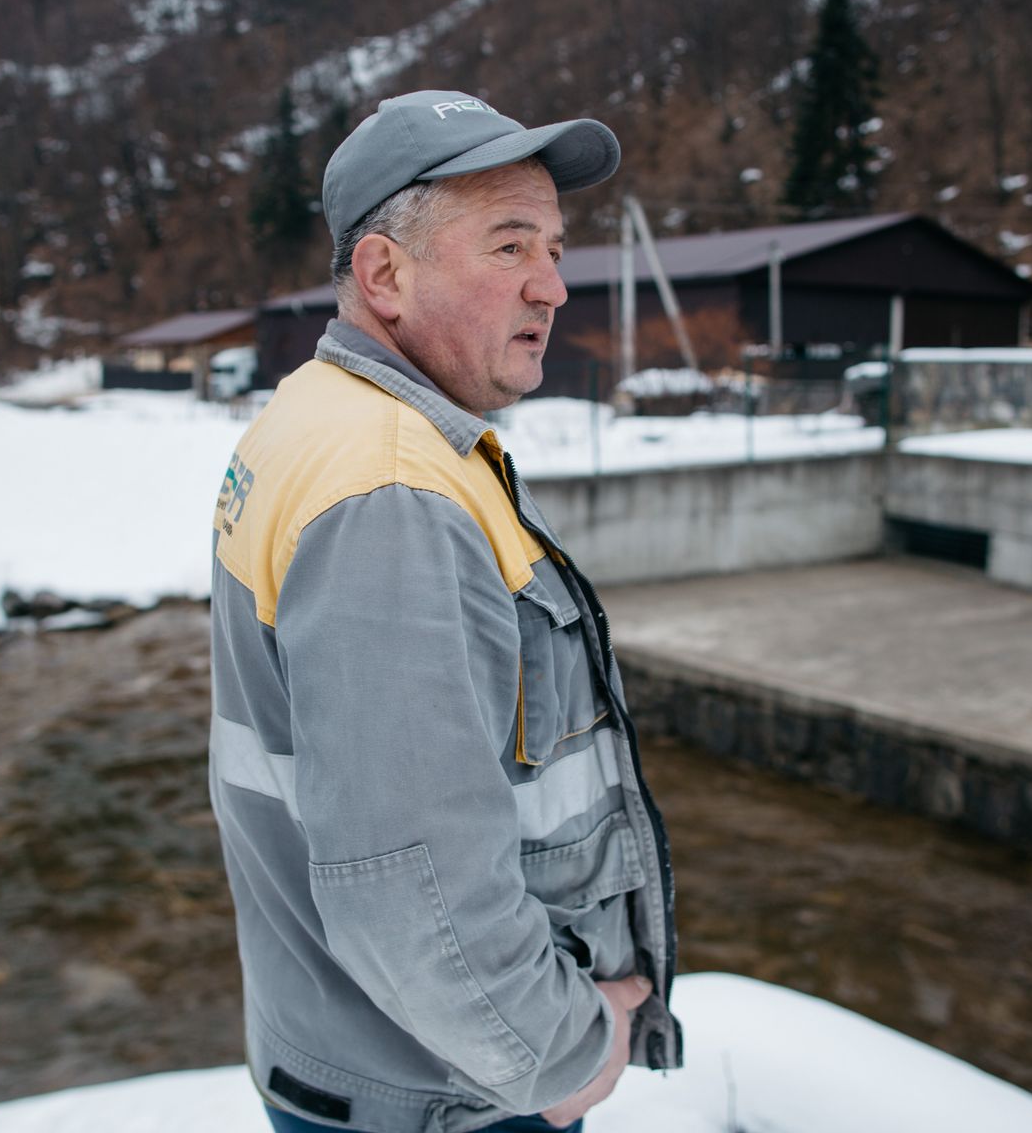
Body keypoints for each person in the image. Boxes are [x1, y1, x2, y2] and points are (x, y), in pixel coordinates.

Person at [208, 89, 682, 1133]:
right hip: (447, 1099)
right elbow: (407, 893)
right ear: (385, 274)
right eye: (509, 245)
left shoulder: (315, 418)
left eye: (555, 247)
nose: (553, 286)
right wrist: (571, 1052)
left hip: (349, 1057)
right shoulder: (390, 492)